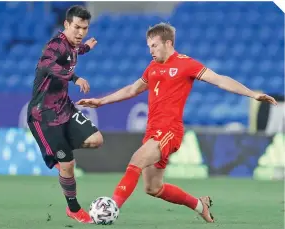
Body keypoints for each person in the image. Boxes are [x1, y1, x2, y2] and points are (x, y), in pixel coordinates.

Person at [76, 23, 277, 223]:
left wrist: (252, 94)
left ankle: (110, 209)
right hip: (152, 131)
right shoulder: (153, 67)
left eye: (154, 45)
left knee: (135, 161)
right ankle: (200, 205)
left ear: (168, 43)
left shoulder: (185, 64)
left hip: (169, 131)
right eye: (149, 47)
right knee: (153, 188)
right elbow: (132, 89)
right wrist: (101, 101)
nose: (151, 51)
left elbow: (219, 79)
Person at [27, 5, 102, 224]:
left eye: (85, 28)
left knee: (96, 139)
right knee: (68, 165)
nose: (80, 33)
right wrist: (75, 78)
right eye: (77, 27)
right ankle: (74, 208)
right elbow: (46, 64)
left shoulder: (72, 46)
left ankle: (60, 155)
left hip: (65, 108)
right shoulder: (56, 44)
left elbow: (74, 53)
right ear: (66, 24)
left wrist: (86, 48)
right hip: (44, 116)